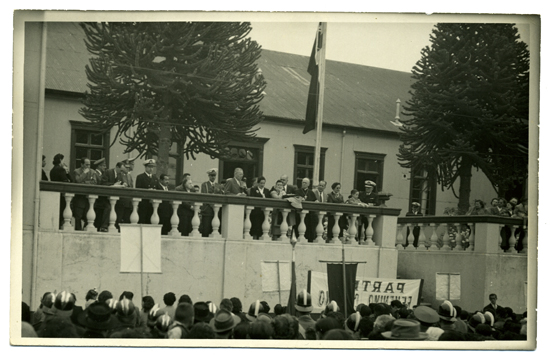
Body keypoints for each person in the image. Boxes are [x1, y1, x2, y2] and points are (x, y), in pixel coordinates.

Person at [99, 161, 130, 232]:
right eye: (121, 170)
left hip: (114, 197)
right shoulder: (108, 172)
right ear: (117, 167)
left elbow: (121, 182)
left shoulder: (120, 174)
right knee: (108, 207)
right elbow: (103, 183)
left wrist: (124, 183)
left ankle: (116, 226)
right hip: (105, 197)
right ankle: (104, 226)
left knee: (122, 205)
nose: (121, 172)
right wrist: (114, 184)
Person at [71, 157, 100, 230]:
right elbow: (78, 181)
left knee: (88, 215)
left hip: (88, 198)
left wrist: (84, 182)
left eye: (89, 165)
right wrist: (84, 173)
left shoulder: (92, 172)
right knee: (78, 215)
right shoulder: (76, 171)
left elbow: (94, 182)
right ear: (82, 164)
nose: (88, 167)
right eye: (86, 165)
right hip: (79, 197)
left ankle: (85, 229)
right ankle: (78, 229)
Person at [199, 168, 224, 237]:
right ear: (209, 176)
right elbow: (205, 196)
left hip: (216, 211)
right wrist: (212, 205)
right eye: (211, 175)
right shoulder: (205, 185)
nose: (213, 177)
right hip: (207, 210)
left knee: (214, 230)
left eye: (214, 175)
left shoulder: (218, 185)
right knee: (206, 230)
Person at [50, 153, 72, 229]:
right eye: (63, 160)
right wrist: (67, 173)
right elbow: (67, 181)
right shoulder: (61, 169)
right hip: (62, 194)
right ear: (60, 160)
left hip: (55, 193)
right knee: (63, 210)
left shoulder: (52, 170)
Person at [135, 159, 160, 224]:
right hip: (143, 202)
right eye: (149, 167)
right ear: (145, 167)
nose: (151, 169)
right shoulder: (140, 177)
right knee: (142, 220)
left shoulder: (155, 178)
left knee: (151, 220)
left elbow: (158, 188)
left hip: (152, 203)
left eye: (152, 167)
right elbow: (138, 190)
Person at [295, 177, 318, 242]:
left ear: (308, 184)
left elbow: (315, 200)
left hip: (309, 215)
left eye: (305, 183)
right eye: (303, 182)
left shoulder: (311, 192)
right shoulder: (297, 191)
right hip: (300, 214)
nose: (304, 184)